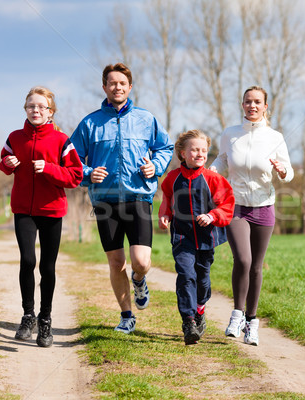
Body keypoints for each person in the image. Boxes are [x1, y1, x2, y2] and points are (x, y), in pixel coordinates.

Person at [70, 63, 174, 334]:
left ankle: (139, 279)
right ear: (104, 87)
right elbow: (71, 159)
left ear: (130, 87)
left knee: (140, 261)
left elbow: (165, 147)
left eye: (122, 83)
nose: (117, 87)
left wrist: (156, 167)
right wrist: (88, 173)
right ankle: (127, 316)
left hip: (138, 196)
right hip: (105, 201)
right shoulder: (89, 123)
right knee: (116, 263)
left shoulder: (145, 119)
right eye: (112, 83)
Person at [209, 86, 294, 346]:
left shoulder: (275, 137)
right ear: (242, 105)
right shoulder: (230, 134)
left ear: (266, 106)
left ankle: (252, 323)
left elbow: (289, 171)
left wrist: (282, 171)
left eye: (257, 102)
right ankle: (237, 314)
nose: (252, 106)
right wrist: (209, 172)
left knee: (257, 266)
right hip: (235, 206)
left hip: (264, 207)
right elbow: (222, 161)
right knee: (242, 260)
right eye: (248, 102)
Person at [0, 86, 83, 347]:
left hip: (51, 210)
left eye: (41, 107)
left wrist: (49, 169)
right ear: (25, 109)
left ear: (50, 112)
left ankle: (45, 321)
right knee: (27, 260)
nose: (35, 110)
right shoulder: (15, 137)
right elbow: (4, 161)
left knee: (47, 267)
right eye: (30, 106)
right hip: (23, 209)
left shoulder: (61, 140)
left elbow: (75, 176)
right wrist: (7, 164)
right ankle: (28, 316)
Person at [158, 130, 235, 345]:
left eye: (203, 150)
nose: (200, 153)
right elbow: (166, 198)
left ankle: (200, 308)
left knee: (202, 278)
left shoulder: (213, 178)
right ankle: (188, 321)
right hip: (182, 237)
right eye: (194, 150)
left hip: (206, 238)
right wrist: (164, 215)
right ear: (183, 153)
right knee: (185, 275)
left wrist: (212, 216)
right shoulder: (173, 178)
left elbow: (227, 204)